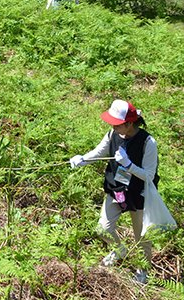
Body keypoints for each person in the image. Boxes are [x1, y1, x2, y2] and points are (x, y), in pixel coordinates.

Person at [69, 99, 159, 284]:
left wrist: (129, 165)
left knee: (141, 237)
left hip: (139, 193)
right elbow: (100, 151)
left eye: (117, 124)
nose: (113, 126)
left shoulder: (148, 143)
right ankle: (119, 250)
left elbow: (149, 176)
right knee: (103, 228)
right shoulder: (113, 134)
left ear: (130, 123)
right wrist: (83, 159)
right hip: (116, 189)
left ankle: (143, 271)